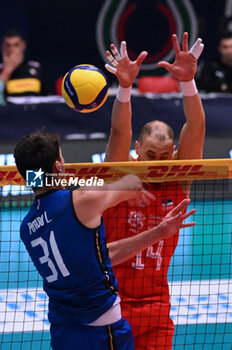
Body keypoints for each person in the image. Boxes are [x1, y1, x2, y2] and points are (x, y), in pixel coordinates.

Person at [13, 130, 196, 350]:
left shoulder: (26, 228)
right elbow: (131, 183)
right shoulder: (82, 200)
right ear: (58, 166)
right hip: (103, 330)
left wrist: (159, 232)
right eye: (62, 158)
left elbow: (104, 253)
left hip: (62, 329)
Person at [103, 32, 205, 349]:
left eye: (164, 156)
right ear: (137, 149)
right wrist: (124, 87)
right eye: (150, 156)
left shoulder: (178, 177)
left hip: (157, 309)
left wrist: (187, 83)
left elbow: (197, 127)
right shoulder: (120, 176)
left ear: (173, 153)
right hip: (113, 306)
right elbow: (119, 130)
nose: (158, 164)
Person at [0, 29, 47, 97]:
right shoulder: (1, 71)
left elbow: (47, 97)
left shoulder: (36, 68)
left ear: (23, 45)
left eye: (16, 45)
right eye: (8, 45)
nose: (12, 49)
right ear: (2, 47)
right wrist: (7, 71)